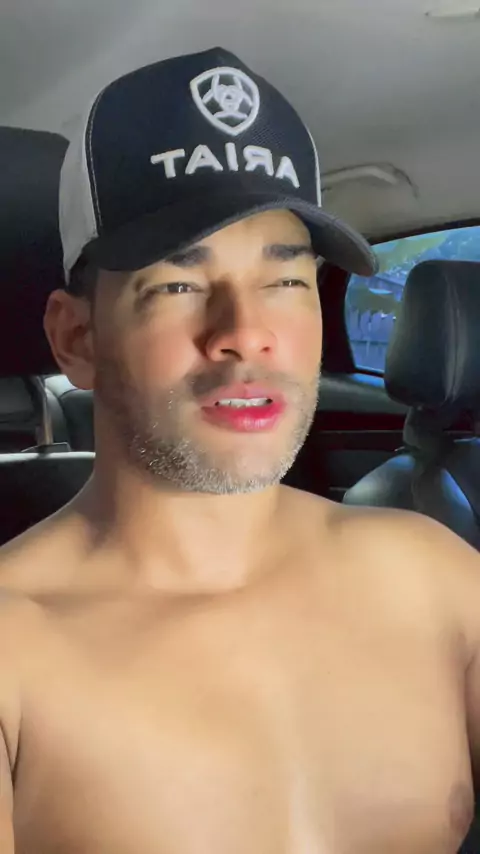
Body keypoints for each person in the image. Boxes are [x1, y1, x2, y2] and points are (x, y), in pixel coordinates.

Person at [0, 46, 478, 854]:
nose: (246, 333)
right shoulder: (15, 648)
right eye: (178, 285)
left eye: (285, 280)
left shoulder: (434, 576)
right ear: (77, 338)